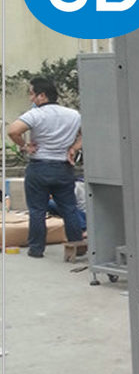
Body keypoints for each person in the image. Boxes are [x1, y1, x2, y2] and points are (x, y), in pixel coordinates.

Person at [7, 76, 83, 258]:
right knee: (69, 208)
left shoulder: (35, 114)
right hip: (63, 167)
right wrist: (73, 148)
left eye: (32, 94)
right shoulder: (73, 115)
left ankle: (36, 249)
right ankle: (77, 245)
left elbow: (13, 131)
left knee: (37, 210)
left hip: (39, 167)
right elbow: (85, 134)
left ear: (42, 96)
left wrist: (24, 146)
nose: (30, 98)